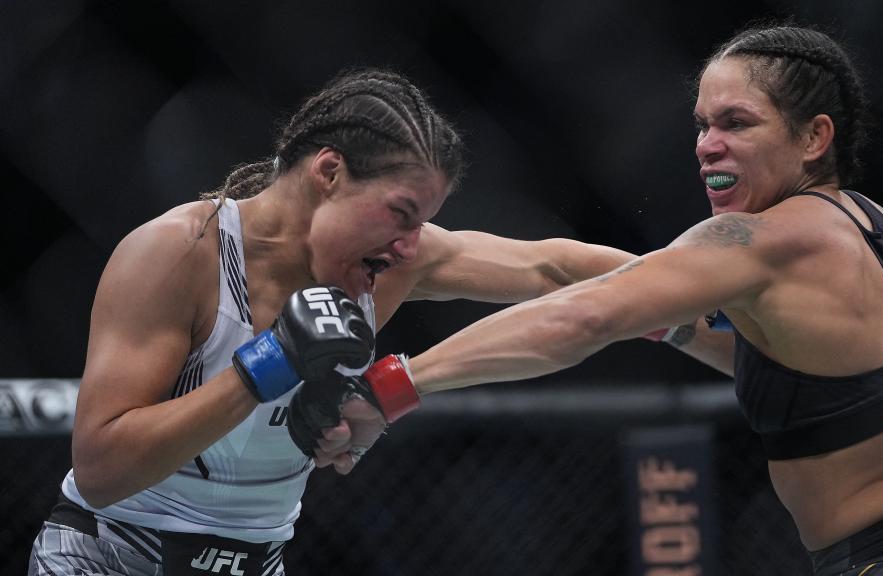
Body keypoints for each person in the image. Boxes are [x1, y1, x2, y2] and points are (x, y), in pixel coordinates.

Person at [341, 25, 883, 575]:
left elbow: (586, 315)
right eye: (701, 124)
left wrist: (391, 386)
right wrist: (442, 254)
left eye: (735, 122)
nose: (706, 146)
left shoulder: (762, 238)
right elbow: (590, 279)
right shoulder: (874, 232)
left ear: (815, 138)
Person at [26, 68, 641, 576]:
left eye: (421, 223)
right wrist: (264, 369)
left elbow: (549, 266)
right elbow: (102, 471)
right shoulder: (182, 254)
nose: (408, 245)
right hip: (108, 554)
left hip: (256, 561)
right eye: (400, 213)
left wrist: (707, 288)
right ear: (329, 173)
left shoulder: (394, 262)